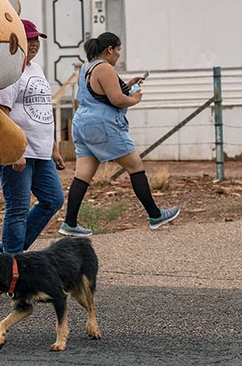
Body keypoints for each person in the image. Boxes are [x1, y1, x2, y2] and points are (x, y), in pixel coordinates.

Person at [62, 32, 179, 235]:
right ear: (110, 49)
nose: (118, 55)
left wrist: (128, 84)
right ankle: (155, 215)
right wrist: (134, 99)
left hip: (83, 124)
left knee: (82, 175)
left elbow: (100, 92)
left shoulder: (87, 67)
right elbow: (116, 99)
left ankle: (69, 224)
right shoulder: (105, 67)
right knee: (135, 166)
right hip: (103, 126)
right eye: (118, 51)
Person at [0, 19, 66, 253]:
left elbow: (43, 110)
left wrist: (53, 148)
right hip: (19, 152)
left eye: (35, 39)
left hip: (41, 152)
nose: (33, 43)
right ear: (16, 41)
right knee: (18, 208)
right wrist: (13, 150)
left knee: (53, 199)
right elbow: (0, 115)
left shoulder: (35, 68)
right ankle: (11, 261)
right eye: (28, 39)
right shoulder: (8, 71)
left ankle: (10, 252)